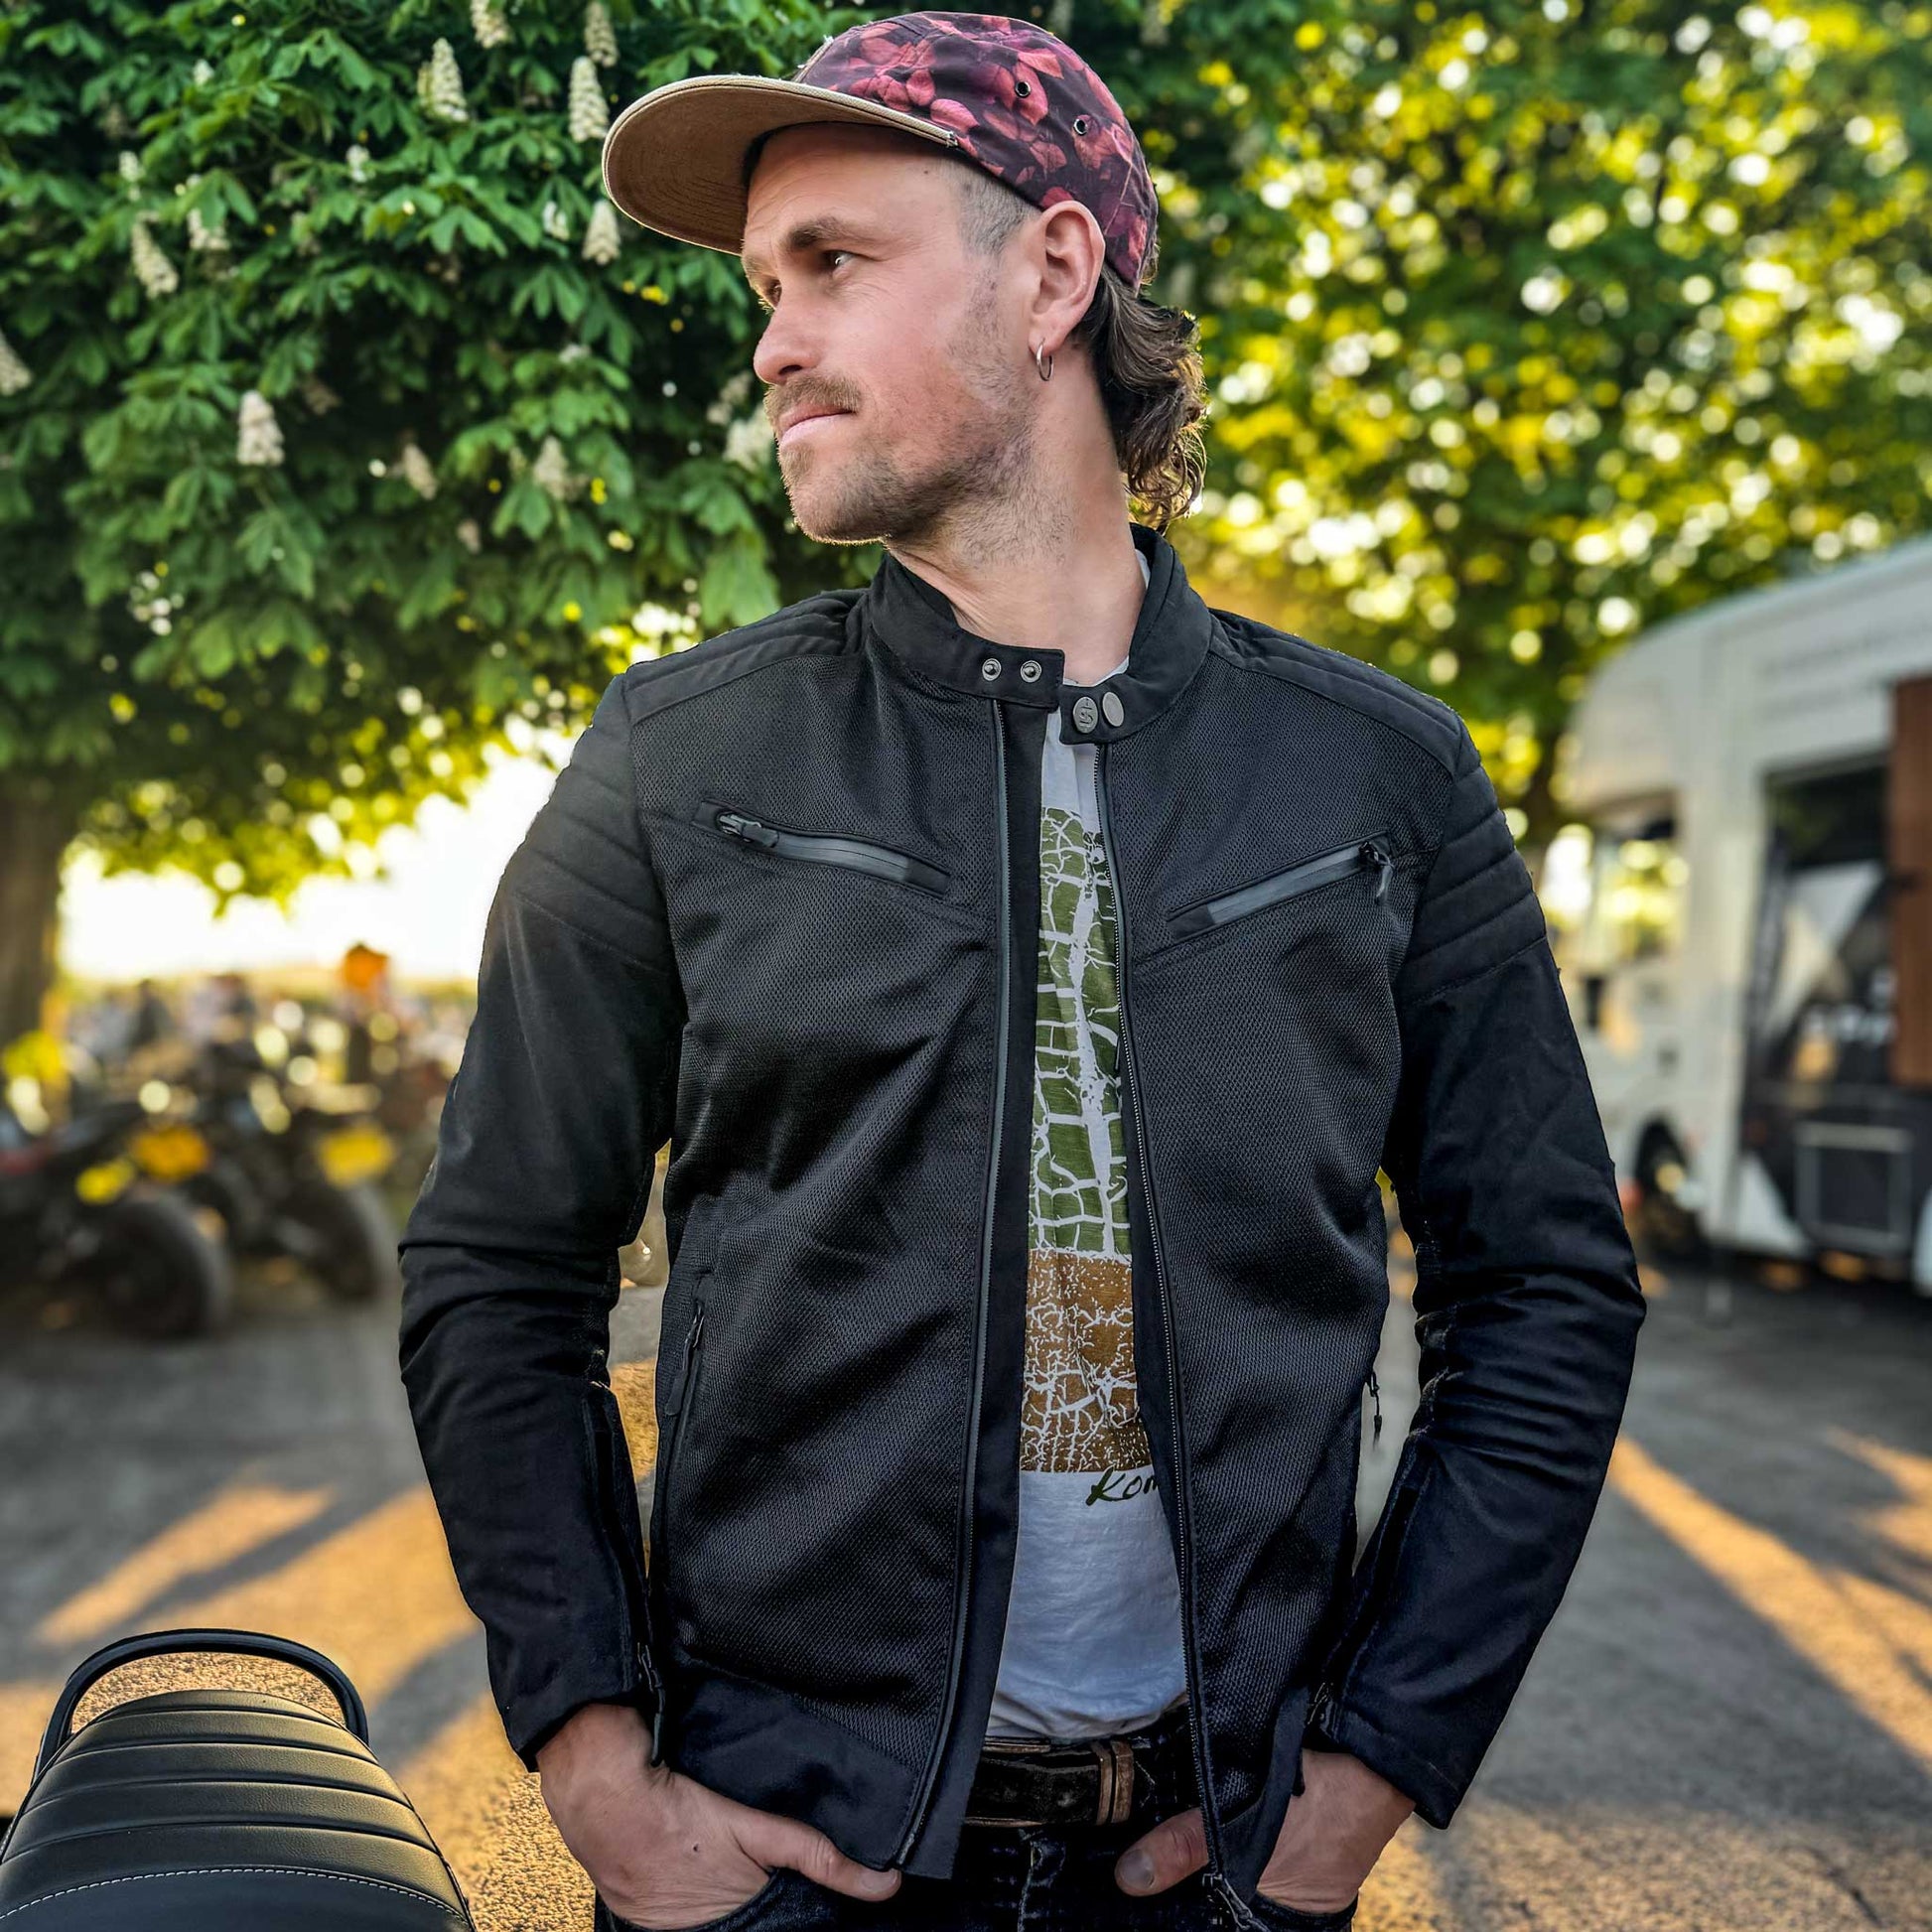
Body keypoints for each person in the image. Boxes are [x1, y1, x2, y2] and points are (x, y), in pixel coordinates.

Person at [396, 13, 1647, 1932]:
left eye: (834, 263)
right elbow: (497, 1265)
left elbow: (1543, 1284)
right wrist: (596, 1764)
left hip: (1210, 1860)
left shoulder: (1374, 776)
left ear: (1054, 271)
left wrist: (1368, 1766)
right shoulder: (679, 759)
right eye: (759, 282)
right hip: (782, 1859)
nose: (771, 340)